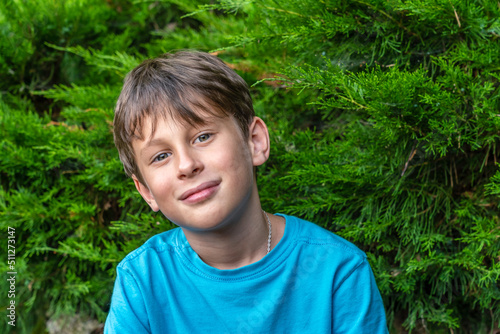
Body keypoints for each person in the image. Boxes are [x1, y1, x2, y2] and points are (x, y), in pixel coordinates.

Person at [104, 50, 389, 333]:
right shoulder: (141, 281)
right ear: (146, 191)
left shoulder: (337, 272)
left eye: (203, 137)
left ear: (254, 141)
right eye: (161, 156)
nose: (187, 165)